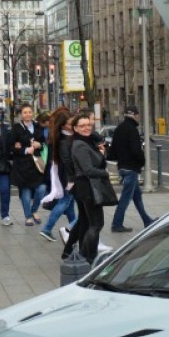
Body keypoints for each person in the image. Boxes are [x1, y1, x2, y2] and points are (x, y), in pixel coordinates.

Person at [59, 112, 108, 263]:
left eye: (89, 125)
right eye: (82, 126)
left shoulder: (87, 141)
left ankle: (79, 253)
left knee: (86, 221)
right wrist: (105, 173)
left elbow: (95, 162)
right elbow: (88, 169)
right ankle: (89, 257)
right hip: (87, 187)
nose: (87, 128)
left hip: (85, 186)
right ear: (75, 128)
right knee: (96, 224)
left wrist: (101, 154)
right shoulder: (80, 144)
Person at [108, 104, 156, 233]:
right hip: (131, 168)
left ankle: (147, 220)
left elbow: (112, 151)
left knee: (137, 197)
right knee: (126, 198)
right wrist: (142, 161)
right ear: (135, 115)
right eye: (138, 115)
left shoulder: (119, 129)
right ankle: (116, 224)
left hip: (123, 166)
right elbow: (136, 150)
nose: (139, 117)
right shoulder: (132, 130)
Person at [40, 106, 77, 241]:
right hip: (68, 176)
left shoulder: (65, 136)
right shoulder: (63, 140)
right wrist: (72, 177)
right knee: (65, 201)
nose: (72, 125)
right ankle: (47, 228)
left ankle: (75, 229)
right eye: (70, 123)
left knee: (70, 204)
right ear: (63, 125)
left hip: (65, 175)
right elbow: (67, 161)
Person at [9, 104, 47, 226]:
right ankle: (28, 216)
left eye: (30, 112)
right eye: (25, 112)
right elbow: (10, 146)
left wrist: (39, 145)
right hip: (22, 165)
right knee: (25, 191)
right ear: (21, 114)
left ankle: (34, 209)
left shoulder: (37, 126)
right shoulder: (16, 128)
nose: (28, 114)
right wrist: (24, 150)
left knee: (41, 189)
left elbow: (43, 141)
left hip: (36, 164)